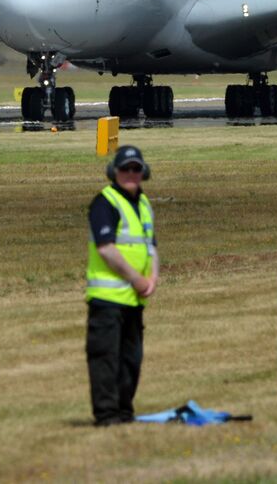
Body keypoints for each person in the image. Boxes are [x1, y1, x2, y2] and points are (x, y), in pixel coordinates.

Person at [85, 144, 158, 426]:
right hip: (108, 297)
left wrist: (152, 277)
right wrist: (136, 279)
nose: (130, 173)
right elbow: (106, 248)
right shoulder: (105, 202)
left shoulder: (143, 204)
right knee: (105, 358)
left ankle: (124, 412)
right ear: (114, 172)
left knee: (131, 360)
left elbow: (151, 246)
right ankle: (106, 415)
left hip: (134, 299)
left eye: (135, 169)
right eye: (125, 168)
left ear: (143, 172)